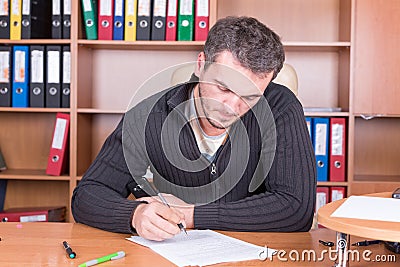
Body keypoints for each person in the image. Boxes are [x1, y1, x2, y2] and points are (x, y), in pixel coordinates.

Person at [72, 16, 316, 241]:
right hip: (178, 253)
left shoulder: (280, 106)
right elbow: (87, 196)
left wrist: (192, 215)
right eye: (224, 88)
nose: (232, 106)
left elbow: (296, 208)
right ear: (201, 65)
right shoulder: (147, 116)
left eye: (250, 96)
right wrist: (134, 215)